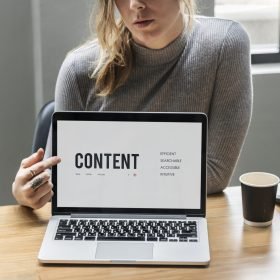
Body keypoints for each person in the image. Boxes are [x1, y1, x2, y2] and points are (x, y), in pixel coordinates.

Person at [12, 0, 252, 209]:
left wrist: (103, 176)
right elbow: (61, 182)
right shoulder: (79, 70)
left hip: (181, 219)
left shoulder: (225, 46)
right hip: (101, 221)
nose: (135, 4)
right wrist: (28, 190)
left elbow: (214, 174)